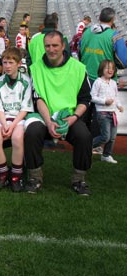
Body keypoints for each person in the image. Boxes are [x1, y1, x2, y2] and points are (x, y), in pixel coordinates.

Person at [24, 31, 93, 196]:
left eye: (55, 45)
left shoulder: (78, 68)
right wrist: (48, 122)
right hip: (44, 116)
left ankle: (79, 179)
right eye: (47, 46)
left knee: (84, 136)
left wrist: (73, 118)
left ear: (63, 46)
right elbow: (38, 97)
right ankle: (35, 177)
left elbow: (85, 100)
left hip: (69, 116)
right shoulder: (35, 68)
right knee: (32, 132)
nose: (51, 49)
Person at [0, 47, 33, 192]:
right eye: (5, 62)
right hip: (2, 119)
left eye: (10, 62)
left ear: (19, 64)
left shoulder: (27, 82)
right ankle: (3, 174)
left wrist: (13, 125)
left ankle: (16, 176)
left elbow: (25, 108)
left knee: (17, 137)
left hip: (18, 119)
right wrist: (4, 124)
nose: (7, 66)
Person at [80, 7, 127, 83]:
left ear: (99, 17)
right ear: (113, 19)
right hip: (106, 81)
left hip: (86, 79)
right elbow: (124, 62)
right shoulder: (114, 36)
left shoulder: (86, 32)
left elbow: (80, 53)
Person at [91, 60, 124, 163]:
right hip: (102, 113)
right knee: (105, 137)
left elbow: (116, 97)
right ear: (102, 70)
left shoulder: (114, 83)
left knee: (112, 137)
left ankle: (106, 155)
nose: (110, 70)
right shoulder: (98, 82)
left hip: (112, 113)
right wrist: (104, 101)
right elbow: (92, 97)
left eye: (112, 68)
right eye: (107, 68)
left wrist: (119, 106)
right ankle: (86, 147)